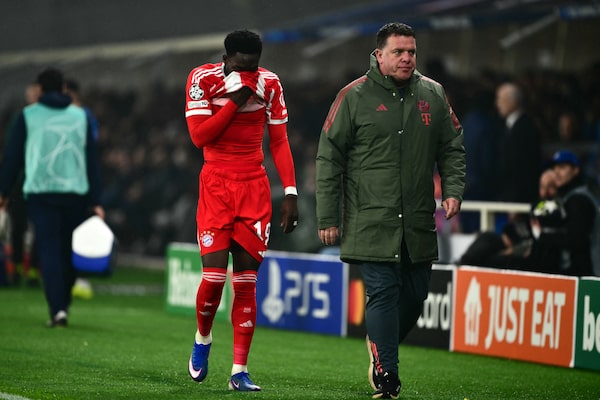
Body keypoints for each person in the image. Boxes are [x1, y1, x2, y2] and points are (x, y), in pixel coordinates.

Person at [315, 22, 466, 399]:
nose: (407, 58)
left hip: (417, 219)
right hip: (370, 219)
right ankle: (388, 376)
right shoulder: (353, 96)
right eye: (398, 52)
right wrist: (328, 217)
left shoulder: (433, 93)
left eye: (411, 51)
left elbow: (452, 146)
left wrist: (452, 190)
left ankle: (379, 345)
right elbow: (329, 157)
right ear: (379, 55)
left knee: (415, 295)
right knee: (382, 293)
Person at [184, 29, 299, 392]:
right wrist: (236, 100)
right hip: (216, 184)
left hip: (254, 188)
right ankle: (203, 338)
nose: (249, 72)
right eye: (241, 65)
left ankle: (239, 371)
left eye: (254, 65)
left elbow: (279, 140)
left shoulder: (271, 84)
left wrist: (291, 191)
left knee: (246, 283)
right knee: (214, 279)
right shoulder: (202, 79)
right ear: (227, 58)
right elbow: (200, 137)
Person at [0, 67, 104, 327]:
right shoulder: (80, 116)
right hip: (75, 193)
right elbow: (92, 160)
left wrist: (4, 191)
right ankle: (64, 304)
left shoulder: (28, 115)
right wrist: (96, 199)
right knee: (68, 250)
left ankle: (57, 309)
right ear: (63, 88)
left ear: (41, 89)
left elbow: (13, 158)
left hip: (41, 192)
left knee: (49, 250)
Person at [532, 150, 600, 276]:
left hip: (585, 274)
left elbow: (576, 240)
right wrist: (547, 190)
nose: (557, 172)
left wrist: (543, 236)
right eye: (554, 168)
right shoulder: (565, 197)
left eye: (562, 167)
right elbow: (535, 210)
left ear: (575, 170)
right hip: (574, 270)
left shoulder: (579, 200)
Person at [65, 78, 100, 300]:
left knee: (81, 230)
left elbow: (92, 143)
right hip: (65, 181)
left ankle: (82, 277)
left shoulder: (84, 115)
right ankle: (67, 276)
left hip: (81, 182)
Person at [494, 82, 542, 203]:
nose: (497, 104)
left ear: (513, 101)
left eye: (501, 99)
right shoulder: (509, 126)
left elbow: (524, 167)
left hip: (520, 198)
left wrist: (516, 199)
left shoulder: (525, 127)